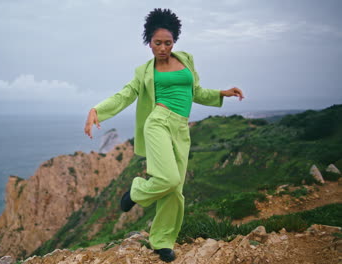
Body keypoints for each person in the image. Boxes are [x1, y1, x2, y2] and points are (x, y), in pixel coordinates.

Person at [84, 8, 244, 262]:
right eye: (157, 43)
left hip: (181, 129)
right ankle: (135, 191)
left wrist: (221, 93)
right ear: (149, 41)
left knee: (175, 191)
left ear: (175, 41)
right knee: (167, 178)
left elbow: (196, 92)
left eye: (167, 43)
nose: (162, 48)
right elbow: (125, 95)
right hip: (158, 122)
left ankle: (162, 241)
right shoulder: (144, 72)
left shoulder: (187, 61)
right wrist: (97, 111)